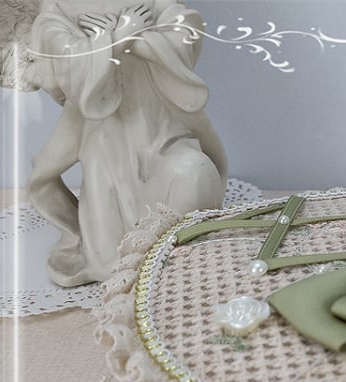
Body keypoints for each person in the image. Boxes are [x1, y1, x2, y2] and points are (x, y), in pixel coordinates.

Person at [28, 0, 228, 286]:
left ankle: (180, 261)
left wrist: (128, 40)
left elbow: (185, 34)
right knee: (110, 261)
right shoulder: (59, 6)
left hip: (164, 132)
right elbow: (60, 69)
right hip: (104, 143)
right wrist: (120, 37)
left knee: (195, 173)